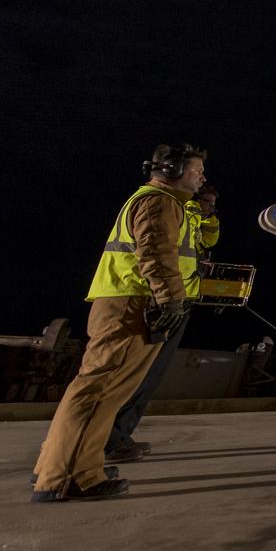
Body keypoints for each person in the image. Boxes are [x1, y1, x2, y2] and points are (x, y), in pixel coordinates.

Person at [31, 144, 208, 502]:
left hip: (130, 304)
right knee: (100, 392)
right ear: (173, 170)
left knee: (100, 390)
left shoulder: (165, 202)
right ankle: (67, 478)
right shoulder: (160, 202)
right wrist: (170, 300)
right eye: (196, 170)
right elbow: (156, 253)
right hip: (133, 306)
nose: (202, 177)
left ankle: (71, 464)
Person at [104, 183, 219, 463]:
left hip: (175, 300)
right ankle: (107, 442)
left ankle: (119, 438)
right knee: (135, 376)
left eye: (213, 202)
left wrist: (209, 217)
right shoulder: (172, 207)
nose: (209, 206)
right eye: (206, 200)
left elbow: (208, 242)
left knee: (150, 375)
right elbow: (157, 254)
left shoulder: (195, 218)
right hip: (151, 299)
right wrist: (168, 297)